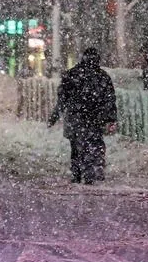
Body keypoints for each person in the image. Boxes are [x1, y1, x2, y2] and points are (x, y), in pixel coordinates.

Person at [48, 47, 118, 185]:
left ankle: (78, 174)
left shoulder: (72, 74)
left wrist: (55, 115)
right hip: (94, 118)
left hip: (75, 117)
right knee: (94, 144)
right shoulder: (103, 77)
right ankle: (92, 172)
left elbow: (62, 99)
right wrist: (111, 118)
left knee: (76, 147)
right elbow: (110, 100)